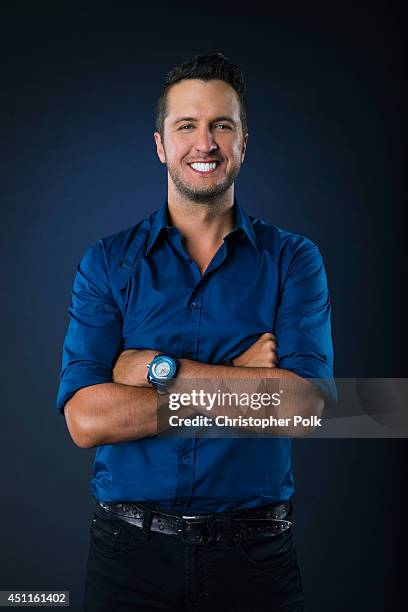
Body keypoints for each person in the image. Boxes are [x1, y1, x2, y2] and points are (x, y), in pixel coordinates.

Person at [56, 53, 335, 612]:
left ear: (243, 143)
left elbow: (306, 410)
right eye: (187, 125)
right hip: (128, 556)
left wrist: (158, 370)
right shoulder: (109, 262)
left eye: (221, 126)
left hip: (256, 557)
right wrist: (244, 380)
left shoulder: (294, 260)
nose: (204, 143)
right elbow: (85, 421)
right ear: (160, 144)